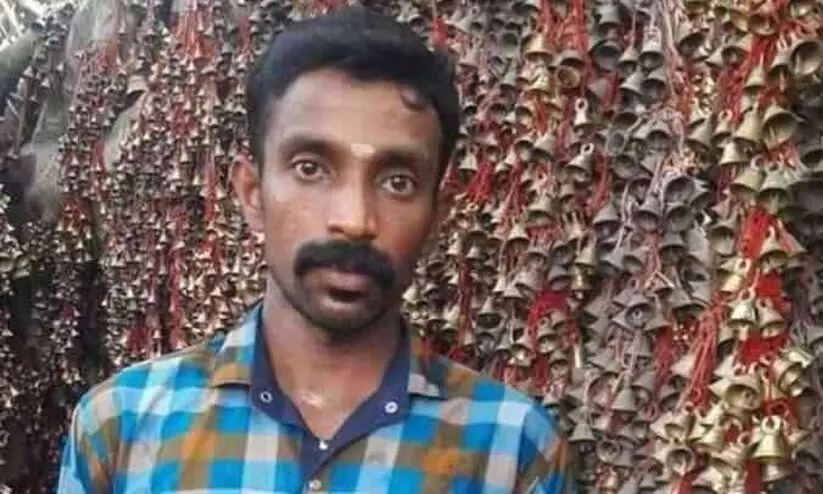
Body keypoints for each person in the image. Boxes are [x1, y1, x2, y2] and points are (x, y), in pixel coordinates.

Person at [57, 6, 571, 493]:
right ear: (252, 194)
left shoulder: (512, 450)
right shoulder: (121, 429)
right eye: (311, 168)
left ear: (437, 215)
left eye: (397, 181)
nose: (354, 220)